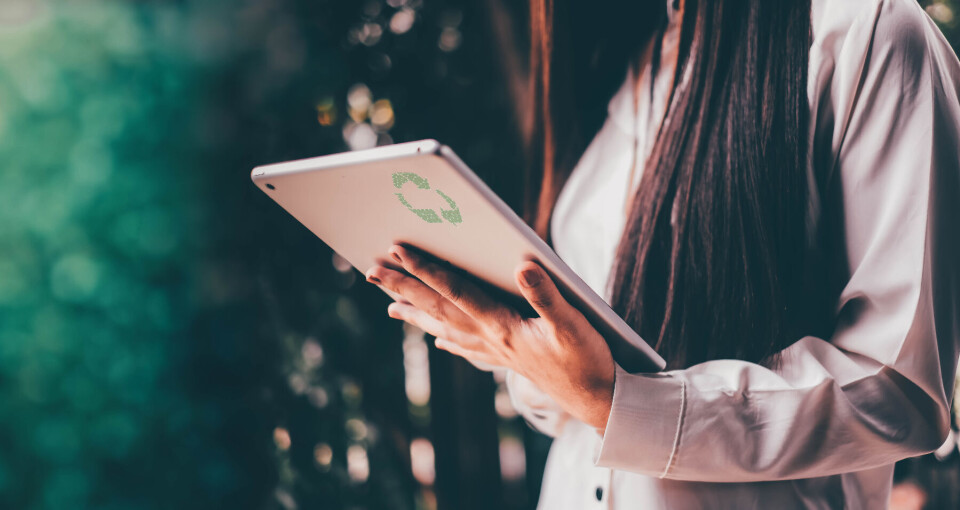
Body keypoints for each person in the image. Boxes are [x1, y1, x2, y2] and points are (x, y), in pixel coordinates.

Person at [363, 0, 960, 507]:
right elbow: (576, 404)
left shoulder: (866, 30)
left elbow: (897, 391)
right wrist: (521, 352)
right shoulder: (634, 58)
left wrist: (625, 404)